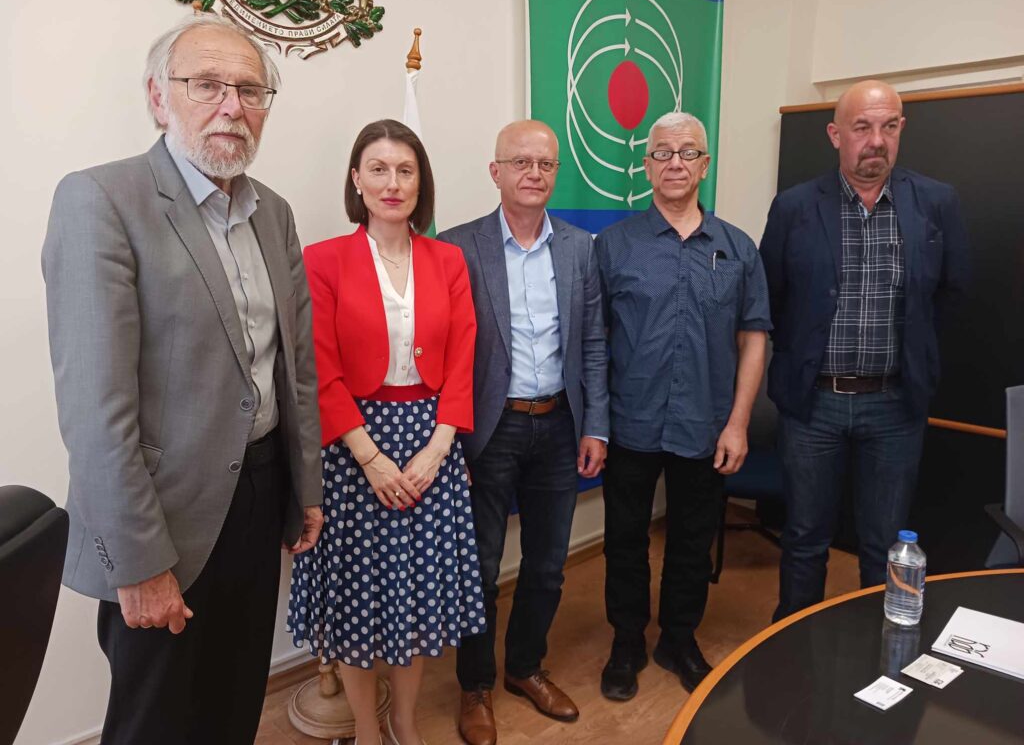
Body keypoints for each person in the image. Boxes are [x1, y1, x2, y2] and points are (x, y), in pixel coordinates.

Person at [41, 14, 323, 744]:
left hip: (258, 494)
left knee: (234, 702)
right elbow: (97, 412)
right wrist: (139, 563)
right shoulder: (101, 200)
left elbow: (293, 366)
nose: (232, 105)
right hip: (161, 517)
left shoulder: (273, 213)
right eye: (207, 85)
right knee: (157, 723)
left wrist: (305, 487)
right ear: (158, 97)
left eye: (250, 90)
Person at [287, 119, 485, 745]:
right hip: (353, 449)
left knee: (416, 598)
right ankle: (367, 733)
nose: (392, 183)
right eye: (378, 169)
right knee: (356, 604)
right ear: (357, 180)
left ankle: (403, 723)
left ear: (421, 182)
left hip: (432, 444)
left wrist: (440, 445)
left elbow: (464, 354)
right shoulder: (322, 261)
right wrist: (369, 456)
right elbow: (317, 366)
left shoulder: (448, 259)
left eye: (405, 170)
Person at [760, 80, 969, 621]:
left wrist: (918, 359)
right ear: (836, 135)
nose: (876, 140)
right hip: (814, 405)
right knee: (805, 537)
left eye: (889, 126)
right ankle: (793, 640)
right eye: (862, 127)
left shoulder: (936, 203)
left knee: (884, 544)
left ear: (901, 129)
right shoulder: (794, 207)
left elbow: (951, 294)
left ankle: (874, 652)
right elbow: (769, 297)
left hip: (895, 405)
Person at [438, 120, 608, 745]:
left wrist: (596, 426)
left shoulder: (581, 249)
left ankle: (525, 668)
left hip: (560, 425)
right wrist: (450, 440)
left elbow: (593, 343)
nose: (534, 173)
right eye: (521, 162)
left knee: (547, 565)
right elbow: (445, 353)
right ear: (496, 172)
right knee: (479, 567)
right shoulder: (458, 248)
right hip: (490, 429)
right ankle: (475, 684)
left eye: (545, 164)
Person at [595, 112, 771, 700]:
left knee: (692, 542)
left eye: (688, 152)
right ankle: (627, 642)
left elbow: (753, 338)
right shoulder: (613, 246)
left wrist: (739, 423)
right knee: (625, 541)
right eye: (663, 153)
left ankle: (678, 639)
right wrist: (595, 423)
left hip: (707, 423)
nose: (675, 162)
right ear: (646, 166)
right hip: (630, 421)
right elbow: (594, 341)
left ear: (705, 165)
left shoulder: (737, 248)